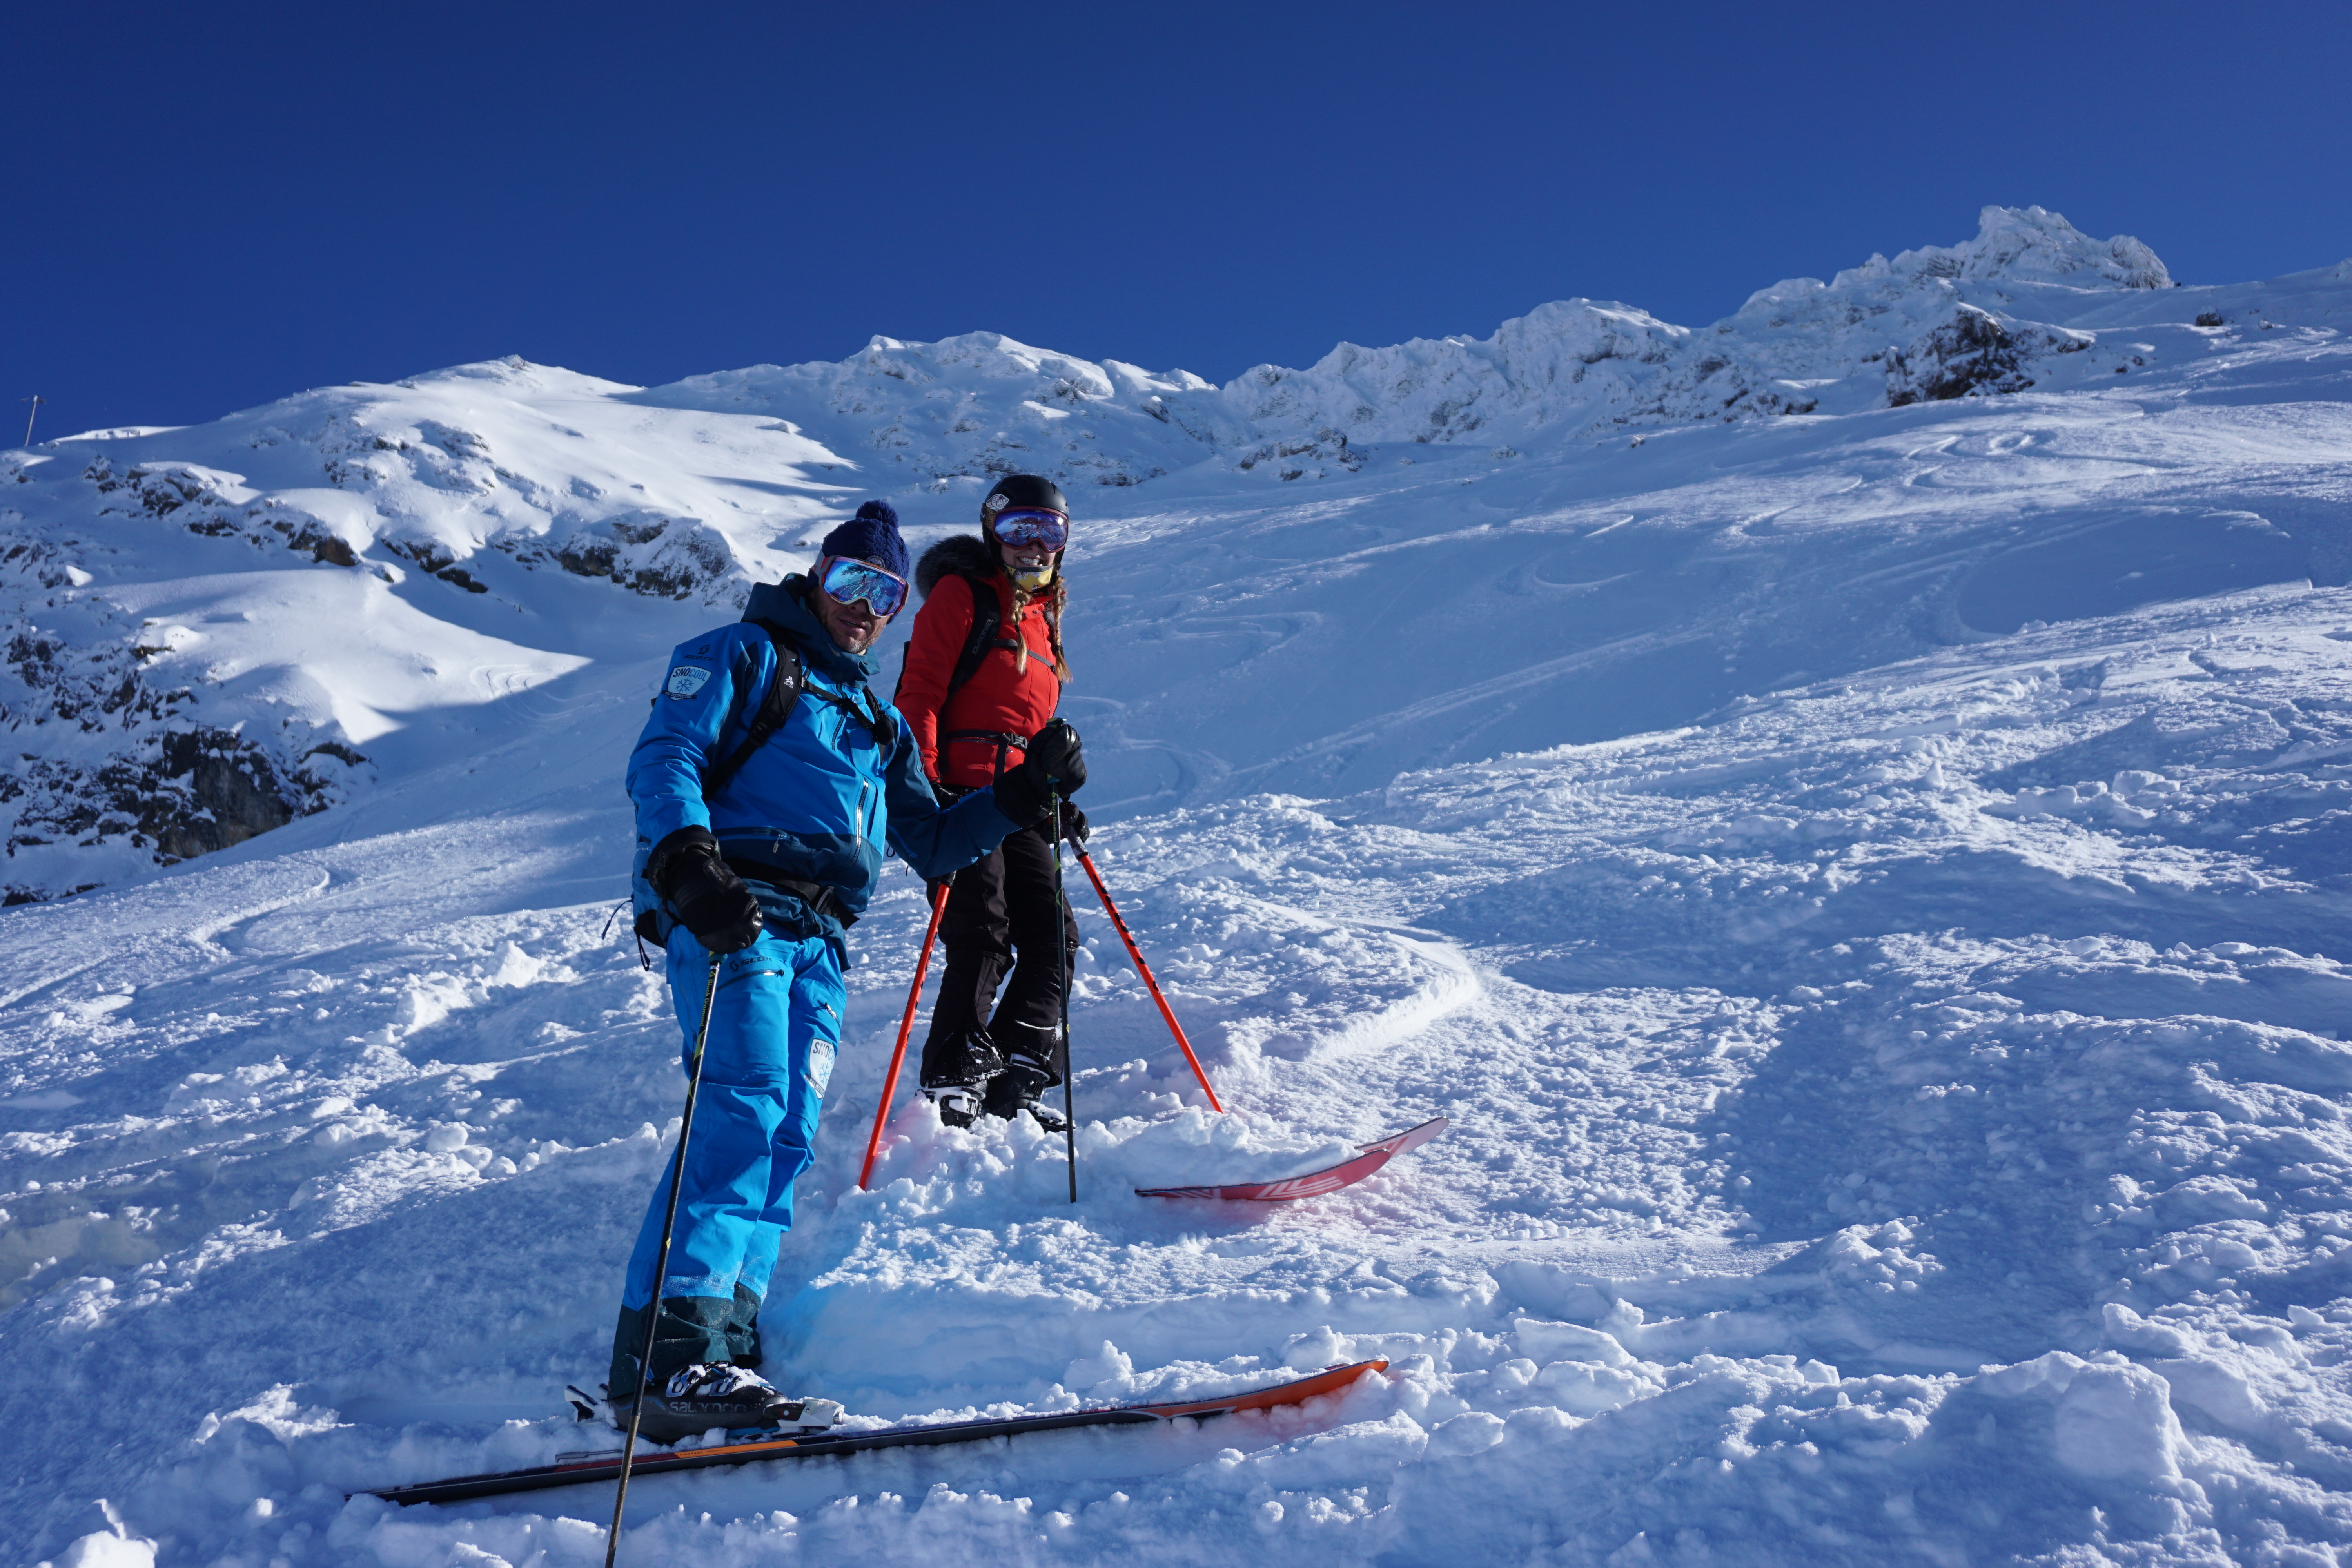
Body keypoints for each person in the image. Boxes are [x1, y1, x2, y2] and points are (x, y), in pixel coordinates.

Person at [614, 498, 1086, 1441]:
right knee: (739, 1109)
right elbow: (665, 756)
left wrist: (1024, 794)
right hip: (735, 909)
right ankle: (669, 1358)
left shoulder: (877, 720)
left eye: (885, 592)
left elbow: (937, 839)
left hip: (822, 938)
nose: (864, 605)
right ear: (818, 574)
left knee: (785, 1130)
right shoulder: (745, 657)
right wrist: (686, 860)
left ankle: (723, 1338)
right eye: (849, 581)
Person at [894, 474, 1084, 1129]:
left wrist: (1055, 790)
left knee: (1055, 937)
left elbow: (1032, 729)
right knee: (983, 929)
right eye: (1017, 531)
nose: (1034, 546)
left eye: (1048, 532)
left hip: (1020, 797)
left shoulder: (1042, 619)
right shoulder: (962, 595)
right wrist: (925, 790)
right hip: (959, 793)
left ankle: (1015, 1073)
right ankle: (953, 1077)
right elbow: (918, 692)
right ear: (991, 533)